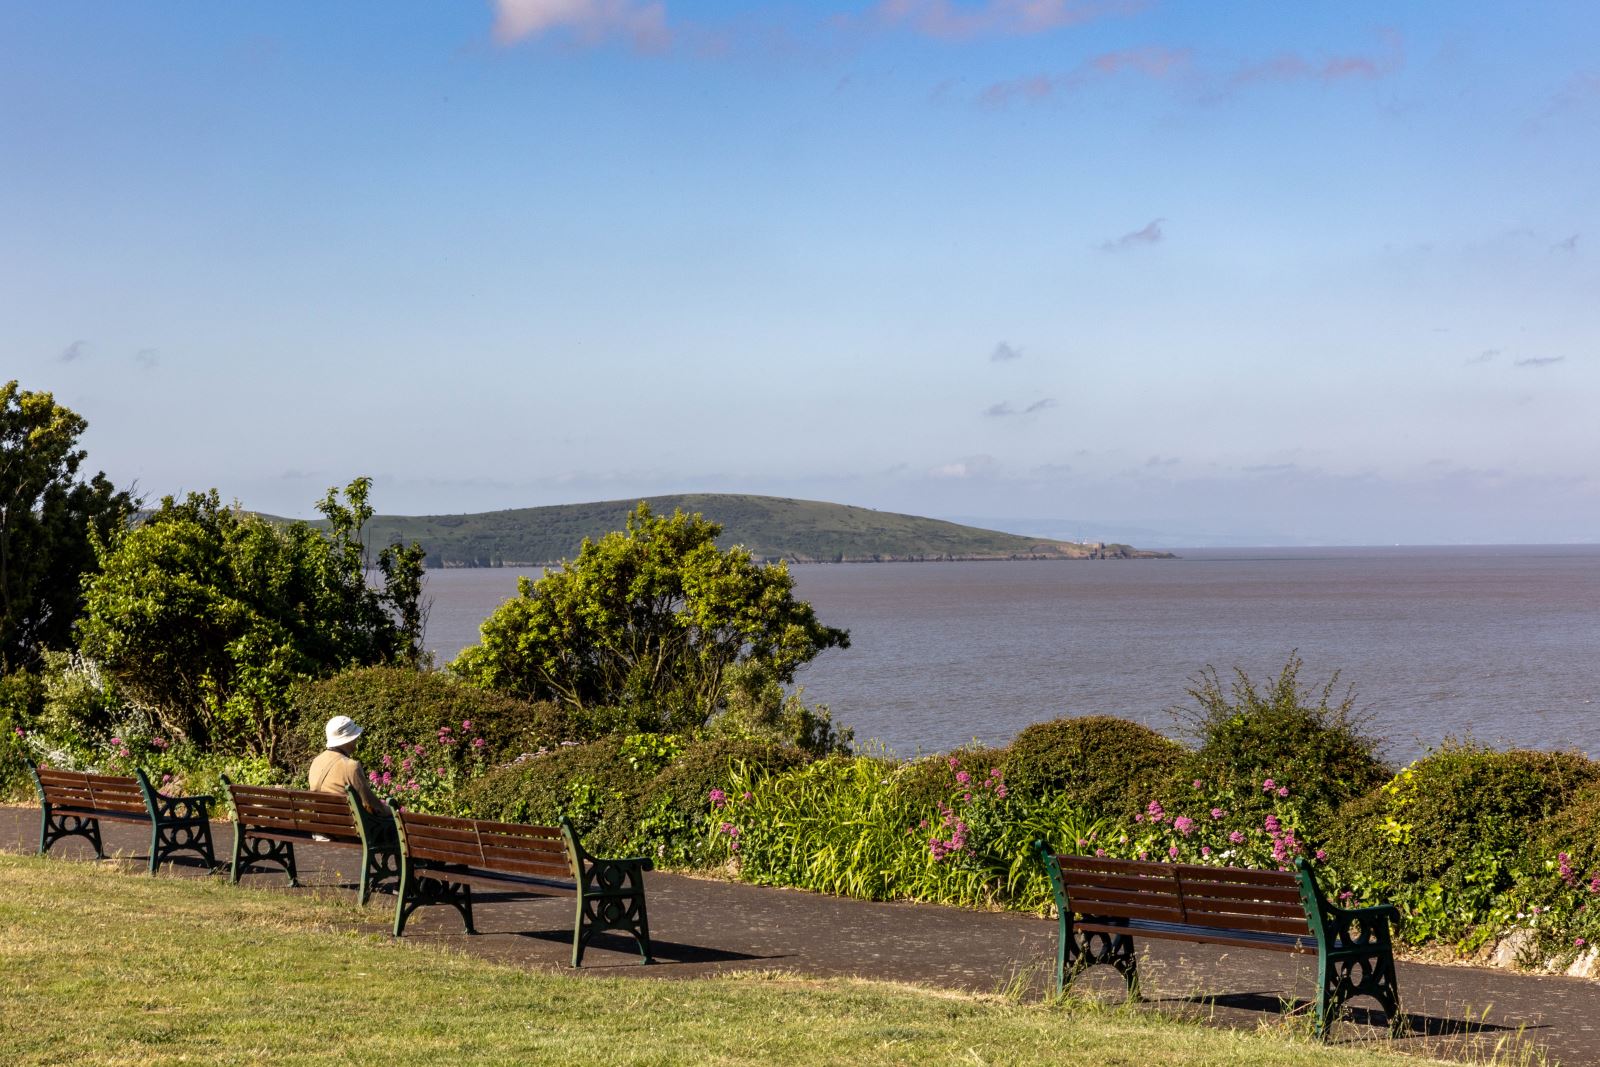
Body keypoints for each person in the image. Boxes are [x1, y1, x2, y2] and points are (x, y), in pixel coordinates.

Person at [309, 714, 385, 813]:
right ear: (349, 739)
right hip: (349, 825)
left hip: (321, 823)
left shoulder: (316, 761)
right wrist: (393, 811)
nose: (357, 739)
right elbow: (371, 806)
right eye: (355, 736)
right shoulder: (351, 766)